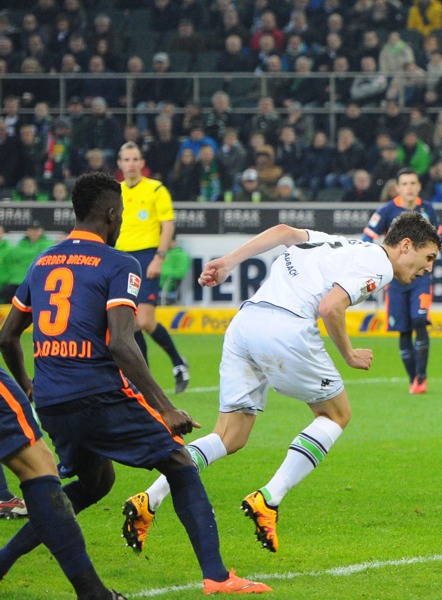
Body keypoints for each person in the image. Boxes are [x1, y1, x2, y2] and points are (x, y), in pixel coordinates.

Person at [0, 172, 270, 595]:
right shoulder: (120, 263)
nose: (122, 222)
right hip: (98, 395)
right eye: (121, 214)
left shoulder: (44, 260)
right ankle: (218, 577)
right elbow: (123, 345)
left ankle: (2, 563)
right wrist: (165, 407)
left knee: (95, 483)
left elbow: (7, 336)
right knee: (180, 465)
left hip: (53, 402)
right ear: (110, 214)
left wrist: (30, 387)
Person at [122, 211, 442, 554]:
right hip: (285, 328)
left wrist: (229, 261)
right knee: (336, 415)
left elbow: (283, 231)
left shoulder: (338, 244)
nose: (428, 269)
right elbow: (330, 306)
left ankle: (148, 499)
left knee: (229, 436)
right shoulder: (377, 264)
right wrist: (348, 354)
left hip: (245, 324)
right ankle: (269, 499)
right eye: (428, 258)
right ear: (405, 245)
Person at [0, 365, 123, 598]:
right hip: (73, 394)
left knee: (97, 481)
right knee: (39, 469)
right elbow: (8, 337)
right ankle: (93, 593)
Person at [362, 169, 442, 393]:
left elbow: (440, 239)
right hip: (395, 279)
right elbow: (368, 236)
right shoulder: (387, 211)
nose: (409, 187)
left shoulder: (428, 209)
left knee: (419, 320)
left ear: (419, 186)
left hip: (421, 277)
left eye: (413, 183)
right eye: (405, 183)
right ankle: (414, 379)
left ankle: (421, 377)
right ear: (398, 187)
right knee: (403, 329)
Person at [116, 142, 191, 393]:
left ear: (141, 162)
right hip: (122, 258)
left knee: (144, 321)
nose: (131, 164)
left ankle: (178, 362)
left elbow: (167, 225)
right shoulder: (116, 191)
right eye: (126, 160)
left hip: (147, 256)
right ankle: (143, 379)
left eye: (135, 159)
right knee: (131, 322)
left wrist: (159, 256)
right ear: (120, 164)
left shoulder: (156, 189)